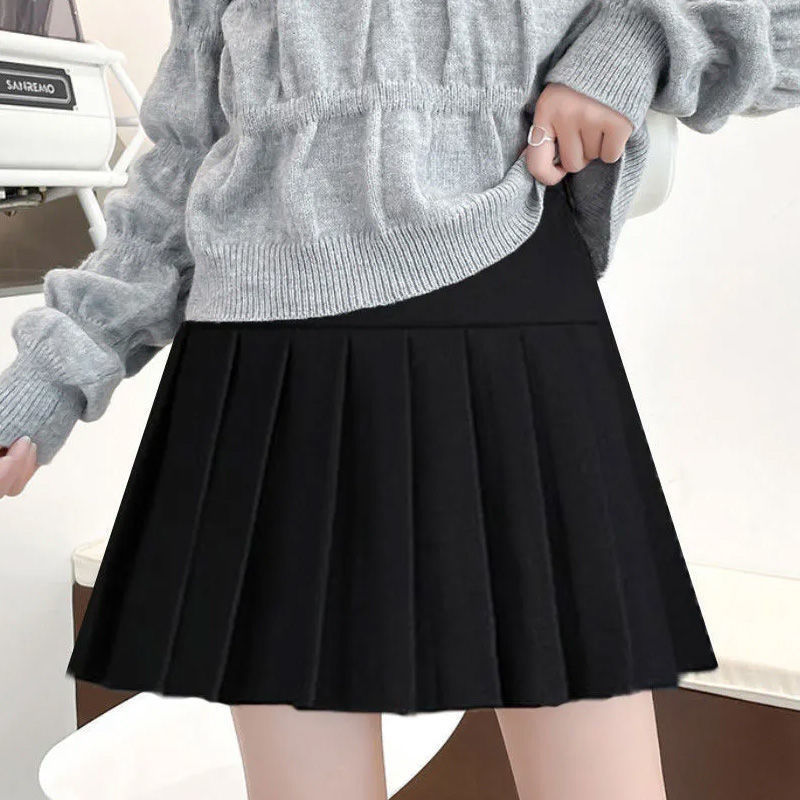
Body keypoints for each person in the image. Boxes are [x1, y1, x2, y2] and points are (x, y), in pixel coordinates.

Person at [1, 1, 799, 798]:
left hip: (508, 321)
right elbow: (184, 161)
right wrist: (47, 377)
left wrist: (631, 44)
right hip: (263, 359)